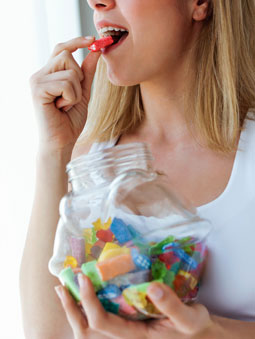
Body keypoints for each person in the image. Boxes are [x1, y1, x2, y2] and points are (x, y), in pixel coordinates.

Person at [19, 0, 255, 338]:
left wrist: (215, 332)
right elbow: (48, 333)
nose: (96, 2)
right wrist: (54, 152)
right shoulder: (91, 157)